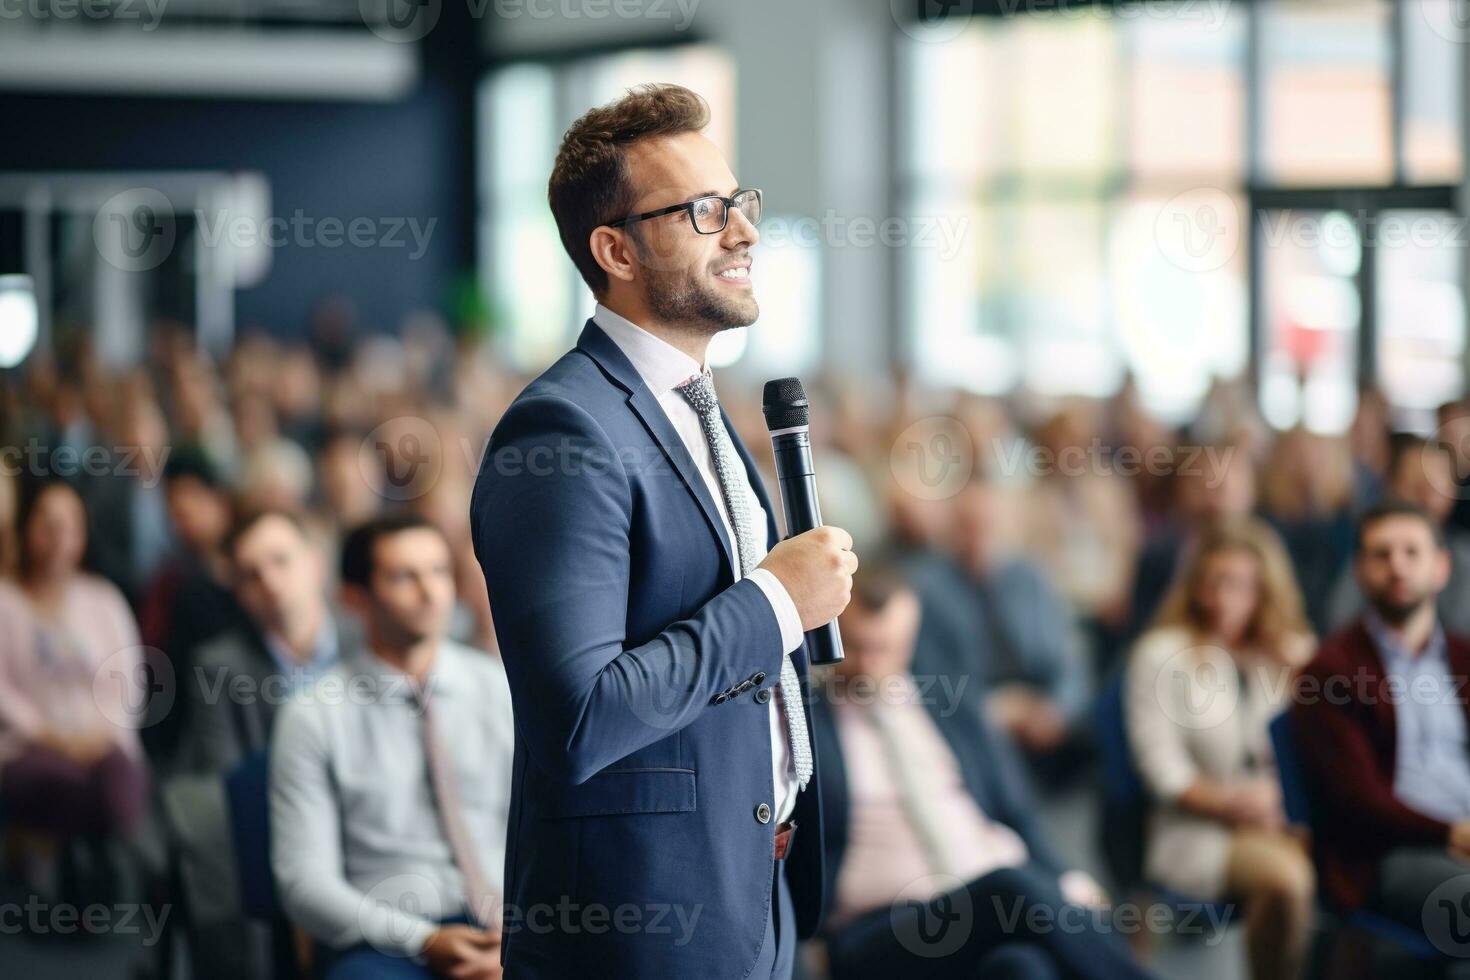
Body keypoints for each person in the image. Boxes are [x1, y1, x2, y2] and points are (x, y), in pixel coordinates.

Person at [471, 84, 857, 978]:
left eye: (741, 203)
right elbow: (579, 716)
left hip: (755, 888)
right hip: (640, 924)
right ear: (616, 250)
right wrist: (774, 601)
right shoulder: (565, 429)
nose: (744, 232)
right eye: (704, 212)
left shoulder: (700, 404)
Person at [812, 563, 1149, 980]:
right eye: (858, 647)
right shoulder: (811, 725)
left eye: (886, 648)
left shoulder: (952, 707)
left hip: (987, 899)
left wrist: (1064, 879)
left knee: (1023, 969)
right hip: (880, 926)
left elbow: (1016, 811)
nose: (869, 665)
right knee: (1012, 887)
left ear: (910, 638)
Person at [270, 514, 514, 979]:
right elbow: (304, 882)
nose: (431, 592)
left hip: (509, 923)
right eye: (405, 576)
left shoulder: (497, 688)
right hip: (385, 938)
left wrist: (519, 937)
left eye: (439, 572)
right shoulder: (314, 714)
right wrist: (421, 940)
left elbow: (543, 831)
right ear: (355, 598)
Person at [1126, 517, 1316, 980]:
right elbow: (1162, 770)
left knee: (1360, 865)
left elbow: (1323, 752)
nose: (1227, 599)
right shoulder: (1161, 653)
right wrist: (1239, 804)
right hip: (1202, 829)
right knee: (1289, 882)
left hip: (1285, 818)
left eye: (1244, 586)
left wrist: (1304, 673)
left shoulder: (1289, 652)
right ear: (1196, 585)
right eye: (1217, 582)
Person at [1292, 501, 1470, 958]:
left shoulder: (1462, 657)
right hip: (1389, 852)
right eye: (1382, 554)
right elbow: (1357, 802)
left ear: (1441, 567)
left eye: (1412, 552)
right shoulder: (1331, 672)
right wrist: (1452, 832)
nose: (1398, 566)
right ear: (1358, 570)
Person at [0, 477, 149, 891]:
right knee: (64, 780)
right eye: (46, 524)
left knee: (120, 770)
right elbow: (3, 694)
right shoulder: (6, 602)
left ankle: (93, 864)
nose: (57, 538)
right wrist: (55, 738)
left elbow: (129, 679)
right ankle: (103, 866)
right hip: (28, 747)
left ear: (83, 535)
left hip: (102, 744)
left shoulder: (104, 600)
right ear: (26, 529)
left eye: (68, 526)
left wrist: (102, 736)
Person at [182, 508, 360, 776]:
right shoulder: (217, 668)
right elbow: (226, 782)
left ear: (316, 564)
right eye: (252, 575)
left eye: (281, 561)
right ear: (239, 594)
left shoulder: (368, 639)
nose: (271, 582)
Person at [1325, 434, 1470, 636]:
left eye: (1436, 485)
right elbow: (1341, 618)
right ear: (1392, 486)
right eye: (1415, 484)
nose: (1426, 496)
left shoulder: (1463, 554)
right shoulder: (1370, 542)